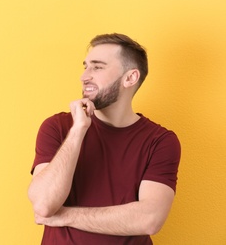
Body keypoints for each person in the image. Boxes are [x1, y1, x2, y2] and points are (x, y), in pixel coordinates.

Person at [28, 33, 181, 244]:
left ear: (130, 78)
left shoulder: (160, 141)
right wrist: (78, 130)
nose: (84, 76)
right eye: (85, 66)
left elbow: (150, 219)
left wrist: (64, 216)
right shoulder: (57, 127)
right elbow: (44, 204)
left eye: (97, 67)